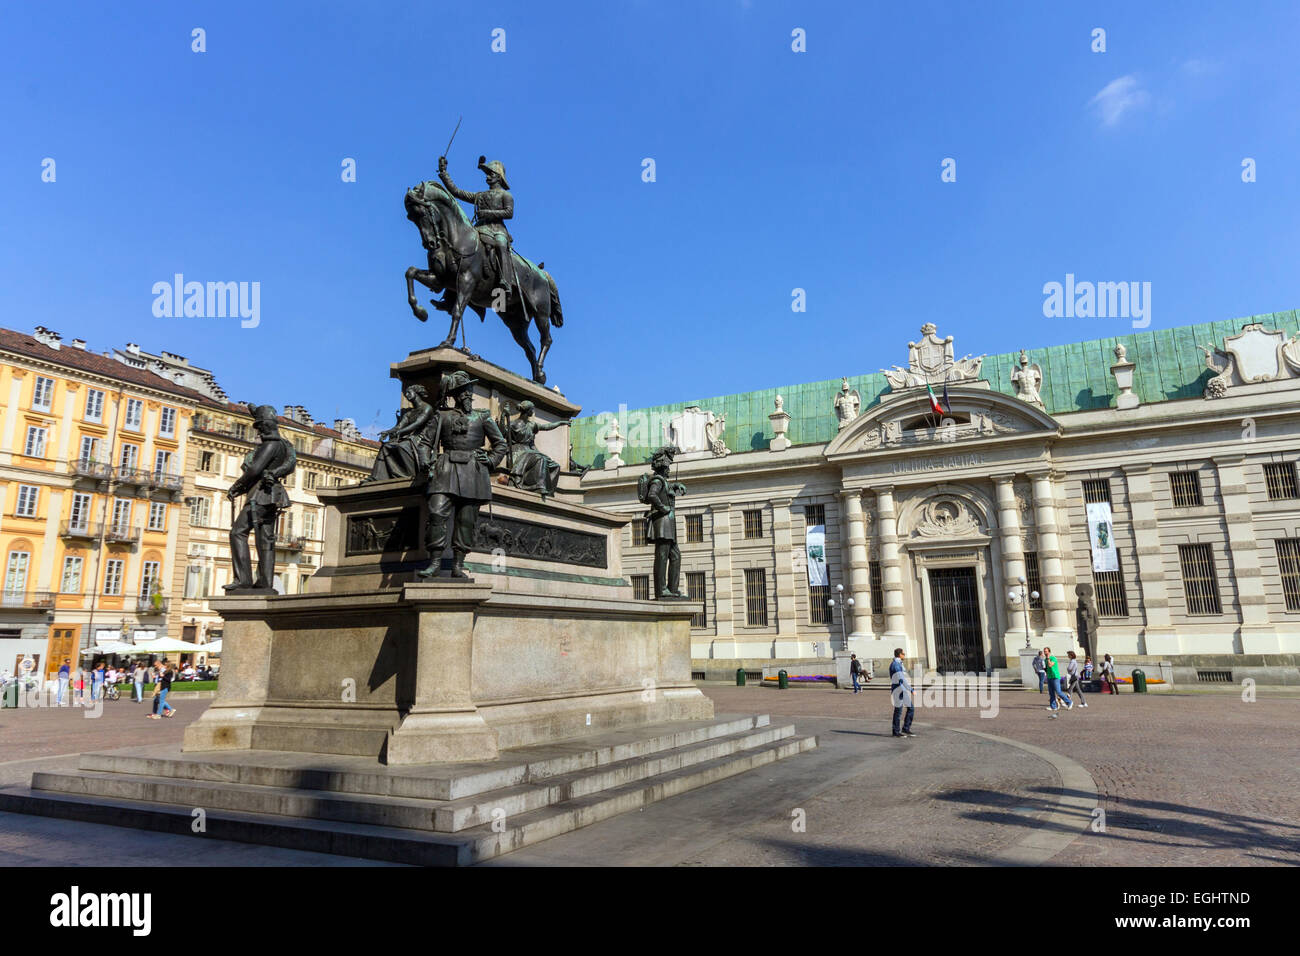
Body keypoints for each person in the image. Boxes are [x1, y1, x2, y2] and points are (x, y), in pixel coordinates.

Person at [417, 371, 508, 580]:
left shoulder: (483, 416)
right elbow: (425, 443)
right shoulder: (442, 416)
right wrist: (425, 462)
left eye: (469, 391)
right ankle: (435, 562)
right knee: (437, 512)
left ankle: (458, 564)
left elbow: (501, 444)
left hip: (473, 471)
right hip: (446, 468)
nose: (468, 395)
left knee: (466, 520)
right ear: (456, 395)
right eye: (463, 391)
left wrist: (492, 461)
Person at [224, 403, 297, 591]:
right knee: (266, 539)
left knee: (237, 532)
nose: (259, 431)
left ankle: (243, 580)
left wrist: (236, 487)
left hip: (260, 495)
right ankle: (265, 582)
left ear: (266, 424)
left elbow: (255, 470)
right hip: (273, 496)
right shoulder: (284, 445)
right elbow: (290, 464)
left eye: (260, 426)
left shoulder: (270, 445)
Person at [438, 154, 516, 294]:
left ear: (498, 176)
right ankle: (451, 292)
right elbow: (456, 192)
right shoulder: (479, 195)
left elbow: (509, 213)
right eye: (486, 174)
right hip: (480, 229)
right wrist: (444, 173)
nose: (487, 177)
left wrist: (487, 213)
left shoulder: (506, 195)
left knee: (501, 244)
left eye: (490, 174)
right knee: (460, 250)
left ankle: (506, 281)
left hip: (497, 230)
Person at [503, 401, 564, 496]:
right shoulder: (513, 424)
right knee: (541, 459)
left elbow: (546, 427)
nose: (533, 411)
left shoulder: (531, 425)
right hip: (519, 450)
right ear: (528, 411)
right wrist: (503, 416)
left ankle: (549, 490)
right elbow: (502, 433)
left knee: (555, 466)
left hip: (531, 450)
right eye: (532, 409)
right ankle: (538, 486)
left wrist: (560, 423)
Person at [889, 648, 916, 738]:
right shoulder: (895, 665)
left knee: (911, 708)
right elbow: (901, 679)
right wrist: (911, 689)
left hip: (902, 690)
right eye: (903, 653)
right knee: (898, 711)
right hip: (898, 690)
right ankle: (896, 731)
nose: (904, 655)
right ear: (899, 654)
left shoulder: (899, 664)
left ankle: (906, 728)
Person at [1043, 646, 1073, 716]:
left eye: (1046, 651)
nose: (1045, 653)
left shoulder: (1053, 658)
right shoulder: (1045, 660)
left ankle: (1069, 702)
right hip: (1049, 677)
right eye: (1044, 651)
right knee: (1051, 692)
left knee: (1058, 692)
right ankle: (1053, 706)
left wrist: (1048, 659)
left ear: (1049, 652)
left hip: (1055, 677)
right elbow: (1047, 668)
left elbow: (1050, 665)